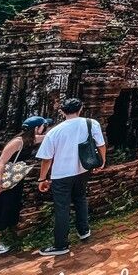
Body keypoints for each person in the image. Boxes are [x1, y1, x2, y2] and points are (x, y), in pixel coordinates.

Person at [35, 98, 106, 256]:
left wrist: (42, 178)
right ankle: (84, 230)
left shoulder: (54, 131)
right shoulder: (91, 123)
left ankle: (61, 244)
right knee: (80, 198)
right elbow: (101, 144)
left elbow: (47, 158)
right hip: (83, 169)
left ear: (62, 111)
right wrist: (102, 161)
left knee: (62, 208)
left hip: (61, 174)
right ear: (80, 109)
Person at [0, 116, 51, 257]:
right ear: (36, 128)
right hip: (3, 182)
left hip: (12, 182)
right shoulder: (17, 142)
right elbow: (1, 162)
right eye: (42, 126)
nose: (44, 129)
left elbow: (48, 136)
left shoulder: (30, 140)